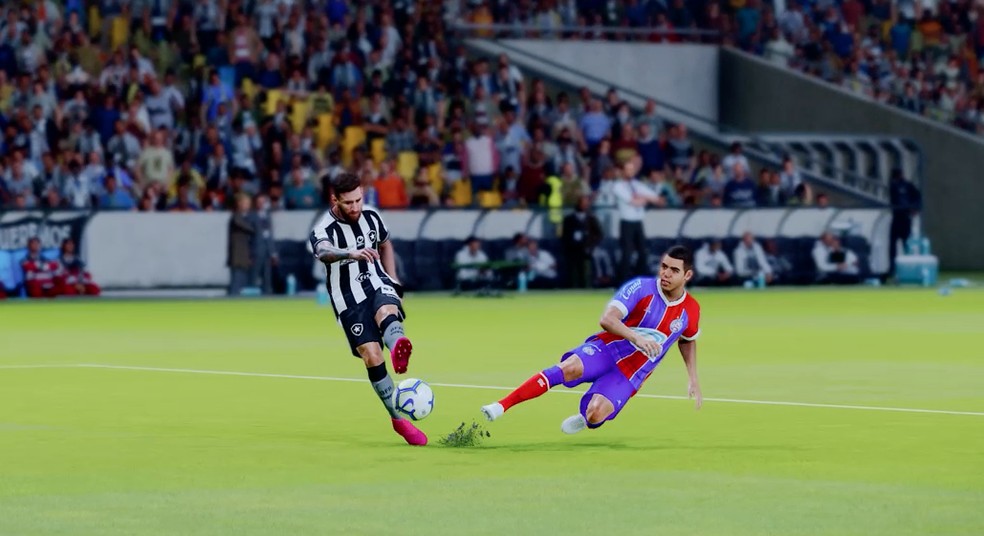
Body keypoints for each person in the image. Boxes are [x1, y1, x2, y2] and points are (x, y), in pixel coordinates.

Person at [481, 246, 702, 434]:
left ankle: (585, 418)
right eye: (664, 266)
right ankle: (501, 406)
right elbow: (607, 319)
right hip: (607, 349)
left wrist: (692, 377)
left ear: (687, 275)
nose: (666, 274)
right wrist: (637, 338)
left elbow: (687, 339)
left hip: (632, 373)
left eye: (674, 270)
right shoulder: (641, 288)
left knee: (596, 414)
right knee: (568, 368)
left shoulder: (691, 310)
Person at [309, 172, 426, 446]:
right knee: (372, 356)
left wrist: (394, 279)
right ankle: (398, 419)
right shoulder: (323, 229)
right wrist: (350, 253)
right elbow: (324, 252)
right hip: (347, 298)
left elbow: (385, 244)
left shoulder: (372, 216)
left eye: (358, 200)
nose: (355, 207)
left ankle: (398, 347)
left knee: (386, 310)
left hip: (377, 282)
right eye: (348, 203)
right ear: (335, 200)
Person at [561, 194, 604, 288]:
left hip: (586, 251)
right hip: (572, 251)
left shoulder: (591, 219)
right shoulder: (569, 219)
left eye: (586, 204)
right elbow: (564, 236)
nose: (585, 205)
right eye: (582, 203)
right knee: (572, 275)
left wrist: (591, 246)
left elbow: (599, 235)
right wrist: (569, 245)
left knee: (586, 274)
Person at [888, 168, 921, 274]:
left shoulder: (907, 185)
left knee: (906, 243)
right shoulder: (893, 186)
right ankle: (892, 268)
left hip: (905, 218)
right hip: (896, 217)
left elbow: (918, 197)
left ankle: (908, 267)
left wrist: (915, 208)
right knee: (892, 244)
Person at [227, 194, 254, 296]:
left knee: (241, 283)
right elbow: (249, 228)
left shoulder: (243, 217)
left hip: (243, 257)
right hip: (238, 257)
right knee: (236, 283)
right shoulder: (236, 217)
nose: (248, 206)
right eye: (246, 203)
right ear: (239, 204)